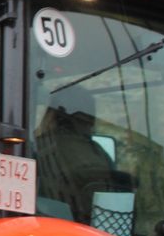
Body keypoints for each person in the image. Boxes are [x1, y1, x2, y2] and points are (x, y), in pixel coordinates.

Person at [35, 83, 129, 226]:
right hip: (91, 227)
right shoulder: (97, 152)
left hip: (47, 225)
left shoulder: (36, 146)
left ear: (52, 113)